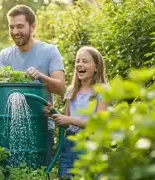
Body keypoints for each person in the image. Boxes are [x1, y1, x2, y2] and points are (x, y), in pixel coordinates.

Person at [0, 5, 66, 165]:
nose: (15, 31)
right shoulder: (4, 56)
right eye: (11, 27)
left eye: (20, 26)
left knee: (39, 171)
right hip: (9, 127)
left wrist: (41, 76)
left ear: (32, 26)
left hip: (42, 126)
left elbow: (61, 89)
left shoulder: (50, 51)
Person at [45, 46, 109, 179]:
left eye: (85, 61)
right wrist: (53, 114)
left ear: (96, 67)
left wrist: (69, 120)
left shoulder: (102, 91)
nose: (80, 64)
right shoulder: (71, 91)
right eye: (78, 61)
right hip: (69, 146)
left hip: (91, 146)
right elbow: (65, 121)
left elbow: (98, 123)